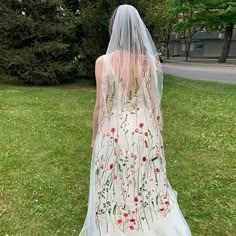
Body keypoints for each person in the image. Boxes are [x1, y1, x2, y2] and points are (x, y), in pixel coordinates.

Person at [79, 4, 192, 236]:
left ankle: (116, 225)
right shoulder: (149, 61)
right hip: (143, 129)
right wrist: (158, 135)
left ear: (114, 29)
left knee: (116, 178)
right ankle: (148, 222)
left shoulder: (103, 62)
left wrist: (94, 139)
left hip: (114, 129)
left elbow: (100, 106)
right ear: (137, 28)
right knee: (145, 177)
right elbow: (153, 104)